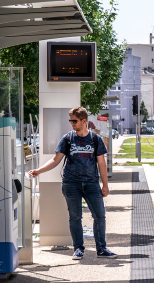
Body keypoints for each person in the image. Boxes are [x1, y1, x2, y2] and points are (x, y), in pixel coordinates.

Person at [28, 107, 117, 260]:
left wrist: (105, 185)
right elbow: (56, 160)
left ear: (84, 121)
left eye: (74, 121)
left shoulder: (95, 139)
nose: (72, 124)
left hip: (91, 183)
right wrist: (39, 171)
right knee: (75, 217)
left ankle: (101, 248)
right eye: (70, 121)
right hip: (71, 183)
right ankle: (78, 249)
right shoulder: (68, 138)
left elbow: (101, 163)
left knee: (100, 215)